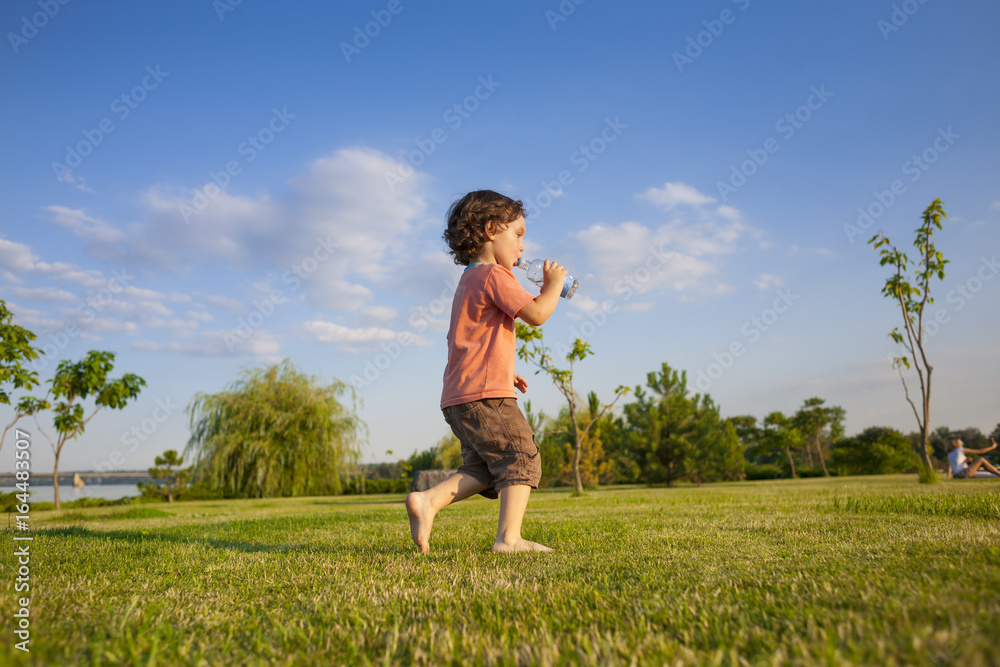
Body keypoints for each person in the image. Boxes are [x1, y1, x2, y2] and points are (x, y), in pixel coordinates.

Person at [405, 190, 568, 554]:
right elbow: (537, 314)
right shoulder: (495, 274)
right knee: (520, 455)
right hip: (485, 394)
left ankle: (428, 501)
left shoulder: (468, 281)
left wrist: (503, 372)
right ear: (492, 230)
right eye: (518, 234)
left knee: (483, 469)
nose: (523, 246)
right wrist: (553, 286)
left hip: (459, 397)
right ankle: (508, 539)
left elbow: (469, 341)